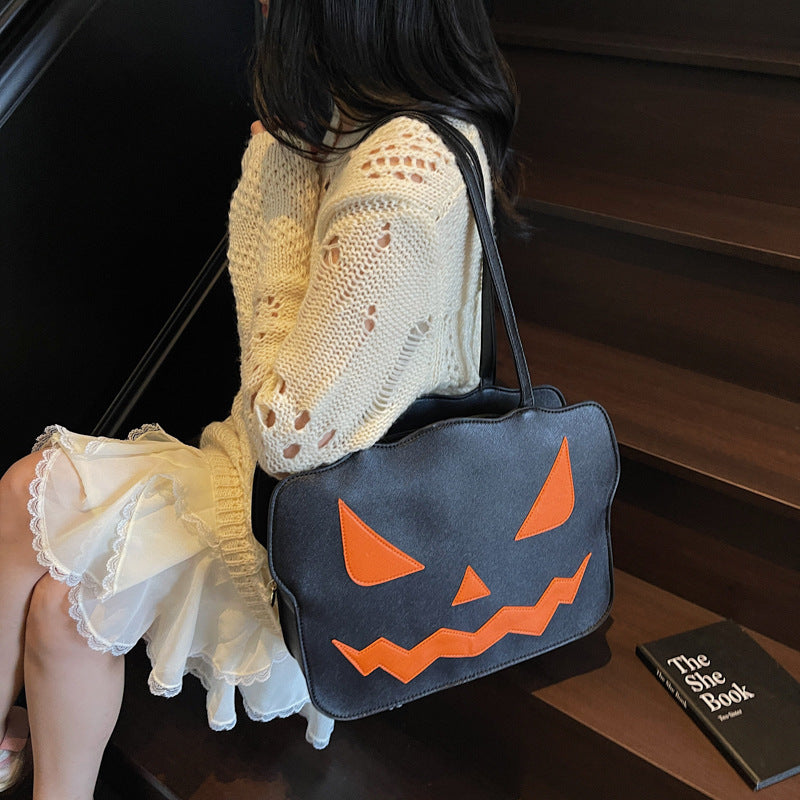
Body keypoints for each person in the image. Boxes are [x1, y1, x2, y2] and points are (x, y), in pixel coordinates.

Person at [0, 0, 520, 795]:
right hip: (321, 500)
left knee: (29, 491)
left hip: (324, 540)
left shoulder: (399, 174)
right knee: (62, 610)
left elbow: (287, 434)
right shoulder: (412, 124)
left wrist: (276, 179)